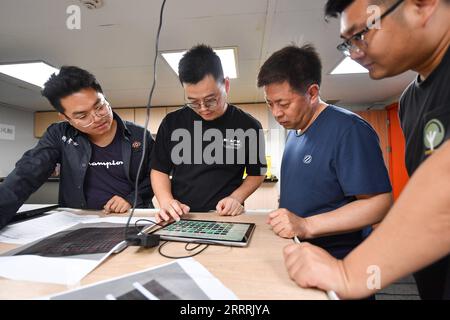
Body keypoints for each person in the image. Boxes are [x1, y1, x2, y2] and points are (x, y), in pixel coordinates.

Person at [282, 0, 450, 299]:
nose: (356, 52)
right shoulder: (411, 99)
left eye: (361, 34)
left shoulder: (347, 128)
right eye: (348, 43)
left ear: (422, 6)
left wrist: (348, 273)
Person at [257, 44, 392, 261]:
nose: (276, 113)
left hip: (340, 262)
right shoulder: (294, 133)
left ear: (311, 93)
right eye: (270, 104)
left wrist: (306, 225)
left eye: (283, 103)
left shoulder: (349, 130)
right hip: (302, 256)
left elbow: (379, 204)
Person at [0, 66, 154, 229]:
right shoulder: (59, 135)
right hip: (77, 223)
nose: (97, 118)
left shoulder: (140, 135)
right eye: (82, 116)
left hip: (131, 220)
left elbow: (156, 177)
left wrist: (131, 199)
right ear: (65, 117)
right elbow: (26, 174)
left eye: (100, 107)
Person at [150, 44, 266, 222]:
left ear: (226, 85)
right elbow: (159, 170)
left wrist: (236, 198)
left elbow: (257, 173)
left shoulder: (249, 126)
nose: (203, 109)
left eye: (211, 100)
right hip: (181, 216)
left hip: (226, 217)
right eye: (194, 102)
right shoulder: (171, 123)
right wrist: (166, 201)